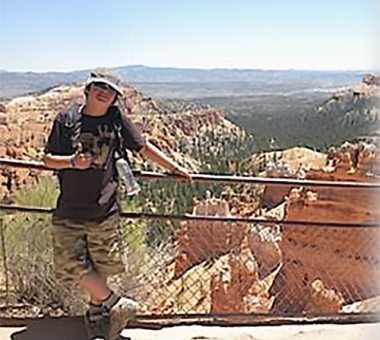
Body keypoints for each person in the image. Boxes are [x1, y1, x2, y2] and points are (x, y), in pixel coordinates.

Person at [43, 67, 191, 340]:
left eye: (110, 90)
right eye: (100, 86)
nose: (105, 92)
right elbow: (48, 159)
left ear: (115, 98)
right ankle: (116, 303)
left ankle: (97, 319)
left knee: (100, 267)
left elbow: (143, 148)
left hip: (105, 209)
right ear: (88, 88)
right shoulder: (66, 119)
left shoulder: (115, 118)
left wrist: (174, 167)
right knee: (70, 264)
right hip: (69, 209)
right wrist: (71, 163)